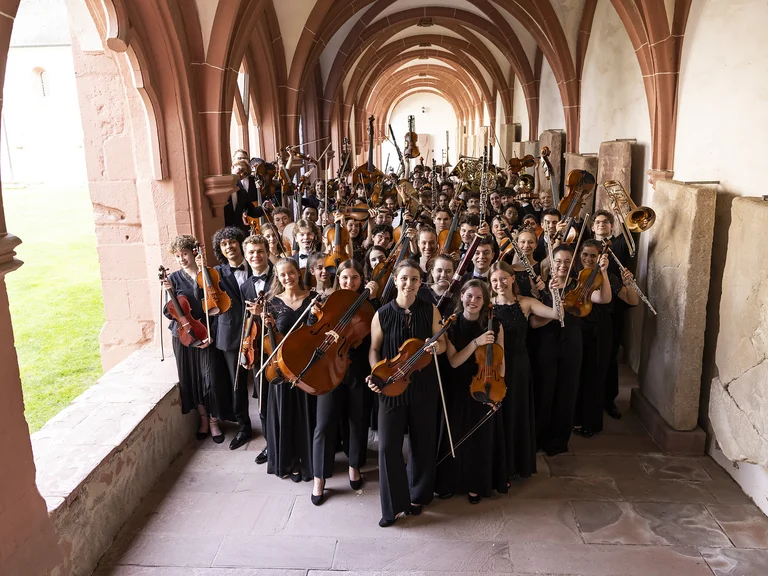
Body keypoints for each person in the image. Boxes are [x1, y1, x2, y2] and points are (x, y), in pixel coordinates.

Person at [367, 260, 447, 527]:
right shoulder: (382, 314)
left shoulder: (431, 309)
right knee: (389, 447)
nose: (409, 284)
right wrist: (377, 374)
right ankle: (391, 507)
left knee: (422, 444)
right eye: (404, 278)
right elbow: (374, 350)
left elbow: (443, 343)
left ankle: (417, 497)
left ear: (420, 283)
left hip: (423, 386)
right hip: (391, 387)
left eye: (414, 279)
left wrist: (435, 348)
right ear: (396, 280)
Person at [530, 244, 611, 456]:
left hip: (572, 343)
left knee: (567, 391)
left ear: (573, 263)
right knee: (545, 390)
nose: (563, 265)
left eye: (567, 261)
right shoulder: (541, 286)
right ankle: (539, 437)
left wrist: (603, 272)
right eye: (558, 261)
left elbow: (604, 298)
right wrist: (555, 300)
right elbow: (535, 323)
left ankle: (558, 441)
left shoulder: (581, 286)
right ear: (551, 262)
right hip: (547, 343)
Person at [311, 260, 379, 505]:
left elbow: (375, 337)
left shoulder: (371, 305)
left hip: (358, 369)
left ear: (362, 280)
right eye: (345, 278)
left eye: (355, 278)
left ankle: (354, 465)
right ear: (337, 279)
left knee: (358, 420)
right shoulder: (327, 301)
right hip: (330, 370)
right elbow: (314, 332)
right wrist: (315, 319)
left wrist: (370, 301)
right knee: (324, 423)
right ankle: (319, 476)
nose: (349, 282)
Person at [435, 280, 507, 503]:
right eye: (469, 296)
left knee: (479, 439)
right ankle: (448, 483)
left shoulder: (495, 325)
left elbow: (501, 362)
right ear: (462, 297)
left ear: (485, 301)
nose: (473, 301)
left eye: (478, 298)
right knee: (453, 436)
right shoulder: (451, 326)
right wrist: (476, 342)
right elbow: (455, 362)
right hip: (457, 386)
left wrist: (498, 389)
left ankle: (476, 484)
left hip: (485, 383)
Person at [489, 261, 559, 479]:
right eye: (494, 280)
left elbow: (557, 314)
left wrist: (553, 291)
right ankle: (496, 463)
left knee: (515, 412)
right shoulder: (487, 304)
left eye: (503, 278)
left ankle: (514, 464)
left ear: (512, 278)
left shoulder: (526, 303)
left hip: (518, 365)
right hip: (491, 366)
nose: (499, 283)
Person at [162, 235, 234, 444]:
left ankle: (214, 421)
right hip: (185, 336)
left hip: (208, 332)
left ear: (193, 252)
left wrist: (212, 334)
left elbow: (220, 305)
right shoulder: (173, 279)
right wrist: (169, 294)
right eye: (177, 256)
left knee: (211, 380)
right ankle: (204, 420)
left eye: (184, 253)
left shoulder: (209, 274)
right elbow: (170, 312)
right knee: (192, 381)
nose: (181, 259)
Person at [573, 240, 639, 437]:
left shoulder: (608, 277)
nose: (588, 259)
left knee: (595, 375)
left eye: (593, 255)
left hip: (601, 329)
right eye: (585, 254)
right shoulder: (575, 275)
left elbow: (632, 300)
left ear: (601, 257)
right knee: (578, 374)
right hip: (579, 328)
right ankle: (575, 417)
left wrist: (628, 283)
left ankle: (591, 423)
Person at [196, 227, 253, 450]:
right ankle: (243, 426)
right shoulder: (215, 272)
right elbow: (203, 294)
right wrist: (201, 266)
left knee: (262, 381)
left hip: (257, 331)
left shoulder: (255, 265)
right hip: (230, 332)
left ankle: (271, 427)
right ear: (220, 249)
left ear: (240, 243)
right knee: (237, 382)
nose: (229, 247)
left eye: (232, 242)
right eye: (223, 244)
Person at [263, 258, 318, 481]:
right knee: (286, 413)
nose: (288, 278)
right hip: (283, 367)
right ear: (278, 277)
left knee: (308, 413)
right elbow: (270, 339)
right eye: (283, 275)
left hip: (308, 364)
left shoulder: (313, 298)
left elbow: (318, 330)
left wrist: (316, 314)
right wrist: (266, 322)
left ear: (298, 272)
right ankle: (290, 460)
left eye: (291, 273)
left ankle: (310, 460)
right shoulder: (272, 303)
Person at [590, 210, 630, 420]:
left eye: (606, 222)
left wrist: (621, 210)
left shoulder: (618, 245)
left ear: (612, 226)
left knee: (610, 356)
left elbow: (632, 235)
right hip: (589, 309)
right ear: (593, 226)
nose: (601, 225)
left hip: (614, 308)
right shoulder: (587, 247)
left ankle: (608, 400)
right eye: (598, 222)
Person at [241, 235, 274, 464]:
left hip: (278, 343)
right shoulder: (245, 286)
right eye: (251, 252)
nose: (256, 256)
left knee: (282, 399)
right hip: (257, 348)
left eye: (260, 251)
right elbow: (245, 320)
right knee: (262, 400)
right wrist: (245, 347)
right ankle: (270, 445)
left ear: (267, 252)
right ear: (246, 256)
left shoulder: (280, 277)